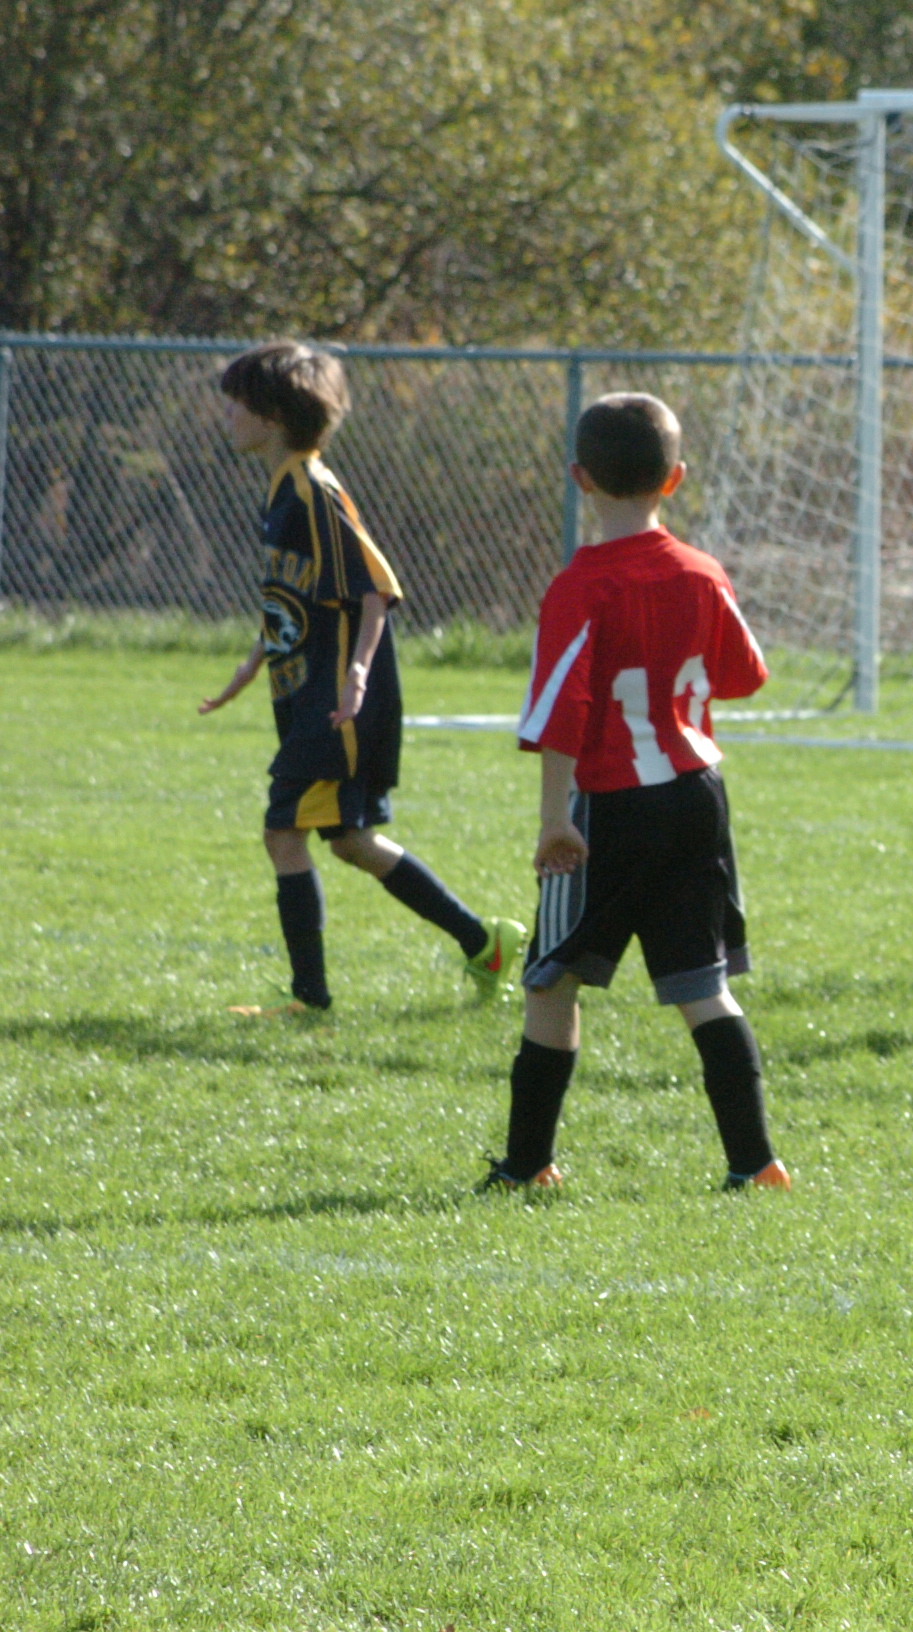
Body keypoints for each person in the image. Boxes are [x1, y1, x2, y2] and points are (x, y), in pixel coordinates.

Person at [480, 393, 788, 1193]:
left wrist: (554, 818)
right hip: (696, 796)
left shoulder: (581, 585)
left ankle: (528, 1166)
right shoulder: (703, 573)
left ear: (579, 477)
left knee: (551, 977)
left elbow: (562, 711)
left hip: (609, 805)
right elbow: (745, 673)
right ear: (675, 479)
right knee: (702, 985)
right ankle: (756, 1163)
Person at [200, 340, 522, 1015]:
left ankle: (309, 1001)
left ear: (274, 415)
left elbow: (376, 588)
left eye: (238, 402)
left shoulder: (314, 491)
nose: (227, 413)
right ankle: (483, 942)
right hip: (306, 694)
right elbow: (296, 594)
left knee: (283, 834)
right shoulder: (282, 489)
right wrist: (253, 661)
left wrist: (356, 674)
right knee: (350, 843)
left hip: (335, 705)